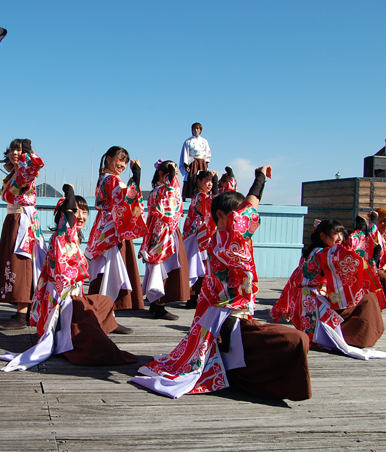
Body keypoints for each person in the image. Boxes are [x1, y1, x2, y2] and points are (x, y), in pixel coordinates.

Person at [132, 166, 312, 401]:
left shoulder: (226, 236)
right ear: (221, 215)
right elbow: (249, 209)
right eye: (236, 214)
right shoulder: (226, 241)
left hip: (223, 309)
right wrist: (259, 180)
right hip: (226, 312)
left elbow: (249, 207)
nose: (242, 217)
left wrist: (259, 180)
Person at [0, 185, 137, 371]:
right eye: (74, 212)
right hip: (62, 302)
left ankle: (97, 328)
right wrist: (69, 196)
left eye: (84, 212)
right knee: (97, 345)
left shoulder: (73, 237)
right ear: (64, 216)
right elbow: (66, 271)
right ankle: (78, 336)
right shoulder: (62, 237)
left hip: (73, 297)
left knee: (104, 302)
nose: (80, 216)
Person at [271, 220, 386, 359]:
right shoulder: (323, 253)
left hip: (314, 300)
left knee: (364, 298)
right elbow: (350, 258)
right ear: (323, 236)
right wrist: (360, 234)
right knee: (367, 299)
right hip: (317, 301)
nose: (339, 237)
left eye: (340, 233)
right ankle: (352, 337)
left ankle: (353, 336)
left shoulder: (317, 252)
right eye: (334, 233)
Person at [0, 138, 46, 330]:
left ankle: (21, 313)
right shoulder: (16, 171)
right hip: (15, 218)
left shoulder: (25, 170)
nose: (15, 153)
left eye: (19, 150)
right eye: (12, 149)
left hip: (22, 220)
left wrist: (26, 155)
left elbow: (32, 166)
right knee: (17, 262)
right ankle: (24, 308)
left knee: (21, 263)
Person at [85, 146, 147, 315]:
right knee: (110, 270)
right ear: (109, 159)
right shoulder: (112, 179)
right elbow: (126, 198)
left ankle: (103, 313)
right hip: (111, 229)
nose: (123, 164)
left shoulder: (104, 178)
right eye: (120, 159)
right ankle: (104, 313)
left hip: (103, 227)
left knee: (104, 271)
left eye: (126, 162)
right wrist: (136, 178)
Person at [139, 160, 189, 320]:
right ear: (162, 174)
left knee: (161, 267)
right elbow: (170, 203)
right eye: (170, 173)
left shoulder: (158, 191)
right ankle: (159, 304)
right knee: (163, 266)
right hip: (163, 230)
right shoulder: (162, 191)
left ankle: (155, 303)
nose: (173, 177)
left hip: (163, 229)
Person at [182, 169, 219, 309]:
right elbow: (211, 208)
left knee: (196, 264)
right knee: (199, 264)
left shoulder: (197, 196)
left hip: (197, 231)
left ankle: (193, 296)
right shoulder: (202, 197)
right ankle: (193, 297)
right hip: (201, 233)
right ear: (199, 182)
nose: (209, 184)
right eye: (207, 181)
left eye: (210, 182)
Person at [179, 122, 211, 200]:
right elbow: (185, 153)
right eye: (194, 129)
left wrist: (206, 163)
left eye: (197, 129)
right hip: (193, 162)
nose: (195, 130)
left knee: (203, 177)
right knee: (192, 177)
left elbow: (208, 152)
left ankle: (204, 193)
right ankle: (190, 194)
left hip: (202, 162)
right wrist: (186, 165)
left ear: (200, 130)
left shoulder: (204, 141)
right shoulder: (188, 141)